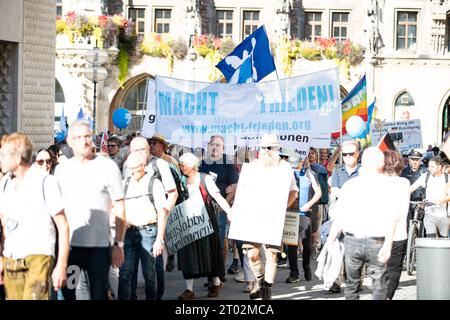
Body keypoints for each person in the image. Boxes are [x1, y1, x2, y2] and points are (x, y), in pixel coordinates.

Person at [55, 120, 126, 300]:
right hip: (70, 249)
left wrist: (119, 244)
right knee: (69, 294)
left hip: (99, 249)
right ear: (69, 141)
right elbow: (56, 211)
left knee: (98, 295)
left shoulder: (107, 167)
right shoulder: (62, 170)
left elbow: (120, 206)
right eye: (78, 137)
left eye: (87, 136)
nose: (84, 141)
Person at [0, 133, 69, 300]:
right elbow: (3, 222)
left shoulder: (46, 181)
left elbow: (63, 226)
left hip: (39, 255)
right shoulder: (4, 183)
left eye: (3, 155)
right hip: (11, 256)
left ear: (17, 158)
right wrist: (1, 257)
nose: (0, 159)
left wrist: (61, 265)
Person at [325, 147, 399, 300]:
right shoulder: (388, 185)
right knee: (379, 284)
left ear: (363, 162)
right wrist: (388, 244)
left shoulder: (350, 186)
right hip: (376, 240)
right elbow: (392, 217)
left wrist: (330, 240)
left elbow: (340, 217)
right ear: (381, 163)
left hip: (353, 240)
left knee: (352, 285)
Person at [239, 134, 298, 300]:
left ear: (277, 149)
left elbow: (293, 192)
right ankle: (260, 282)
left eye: (270, 147)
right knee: (252, 254)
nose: (266, 150)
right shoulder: (252, 167)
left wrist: (282, 208)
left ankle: (266, 289)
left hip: (274, 218)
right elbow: (243, 192)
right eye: (263, 147)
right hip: (253, 217)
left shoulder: (284, 167)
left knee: (272, 255)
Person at [122, 136, 178, 300]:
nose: (137, 153)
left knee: (154, 267)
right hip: (132, 226)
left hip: (154, 222)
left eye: (141, 150)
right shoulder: (128, 166)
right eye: (133, 150)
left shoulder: (159, 164)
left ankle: (156, 295)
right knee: (128, 270)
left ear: (148, 150)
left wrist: (162, 214)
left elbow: (172, 193)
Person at [177, 152, 232, 299]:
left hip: (206, 220)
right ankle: (189, 290)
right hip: (187, 222)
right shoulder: (181, 180)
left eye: (183, 165)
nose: (181, 167)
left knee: (209, 253)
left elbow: (218, 197)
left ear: (192, 166)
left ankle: (215, 283)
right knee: (189, 255)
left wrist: (229, 212)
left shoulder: (205, 178)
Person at [118, 152, 166, 300]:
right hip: (129, 232)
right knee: (125, 273)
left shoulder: (154, 183)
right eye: (129, 168)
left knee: (149, 274)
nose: (131, 171)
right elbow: (118, 207)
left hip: (149, 232)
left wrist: (160, 239)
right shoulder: (125, 183)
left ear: (143, 166)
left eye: (134, 168)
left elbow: (162, 213)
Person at [199, 135, 239, 283]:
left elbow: (234, 187)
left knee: (219, 241)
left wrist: (224, 206)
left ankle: (219, 272)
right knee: (207, 242)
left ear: (223, 148)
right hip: (204, 208)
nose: (214, 147)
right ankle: (211, 273)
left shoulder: (227, 164)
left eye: (218, 145)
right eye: (212, 144)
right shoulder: (203, 163)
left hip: (220, 209)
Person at [286, 156, 322, 283]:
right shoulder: (287, 174)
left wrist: (309, 204)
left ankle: (306, 266)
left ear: (302, 161)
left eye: (296, 162)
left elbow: (318, 193)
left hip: (305, 213)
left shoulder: (309, 173)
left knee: (306, 244)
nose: (294, 165)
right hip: (290, 213)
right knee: (291, 244)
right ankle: (294, 273)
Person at [382, 150, 410, 300]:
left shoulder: (380, 183)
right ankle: (388, 296)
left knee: (380, 268)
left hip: (380, 231)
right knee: (394, 268)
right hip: (400, 232)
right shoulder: (405, 182)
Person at [410, 156, 450, 238]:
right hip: (429, 214)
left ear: (439, 167)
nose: (429, 168)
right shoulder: (426, 176)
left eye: (432, 166)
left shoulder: (447, 178)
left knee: (443, 241)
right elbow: (412, 187)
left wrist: (441, 200)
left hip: (444, 216)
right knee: (430, 238)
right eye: (429, 166)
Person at [401, 150, 427, 223]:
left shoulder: (425, 172)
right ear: (409, 159)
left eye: (417, 159)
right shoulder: (403, 171)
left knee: (423, 226)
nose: (415, 162)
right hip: (408, 202)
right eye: (413, 159)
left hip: (421, 202)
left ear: (420, 160)